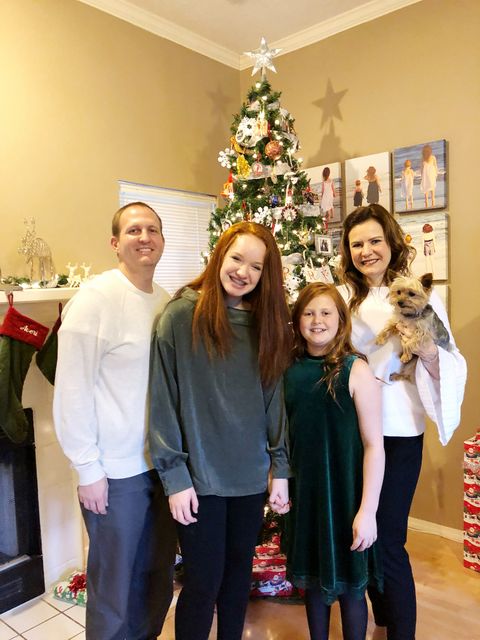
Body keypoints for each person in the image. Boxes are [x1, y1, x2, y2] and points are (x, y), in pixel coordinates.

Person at [148, 221, 293, 640]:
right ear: (219, 257)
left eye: (256, 266)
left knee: (237, 580)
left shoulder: (265, 325)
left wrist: (280, 469)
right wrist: (175, 478)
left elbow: (274, 403)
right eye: (237, 259)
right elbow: (163, 402)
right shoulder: (180, 316)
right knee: (203, 583)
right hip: (199, 482)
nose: (243, 272)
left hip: (249, 479)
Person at [338, 204, 467, 640]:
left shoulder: (422, 296)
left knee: (390, 538)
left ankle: (402, 632)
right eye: (357, 244)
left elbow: (450, 360)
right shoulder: (342, 298)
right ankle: (384, 616)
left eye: (375, 240)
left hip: (398, 433)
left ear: (392, 242)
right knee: (362, 533)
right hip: (353, 432)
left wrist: (427, 352)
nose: (366, 251)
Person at [53, 202, 176, 640]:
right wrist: (88, 469)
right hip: (114, 473)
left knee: (156, 578)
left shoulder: (163, 300)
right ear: (115, 243)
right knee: (114, 589)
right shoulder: (96, 300)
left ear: (162, 240)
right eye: (133, 230)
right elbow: (71, 390)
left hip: (160, 466)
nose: (145, 237)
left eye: (152, 230)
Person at [285, 283, 384, 640]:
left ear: (341, 320)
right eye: (309, 313)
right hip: (306, 496)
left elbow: (374, 446)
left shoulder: (356, 370)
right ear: (297, 320)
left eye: (326, 312)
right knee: (313, 582)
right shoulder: (289, 369)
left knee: (351, 588)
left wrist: (367, 511)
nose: (317, 320)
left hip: (346, 496)